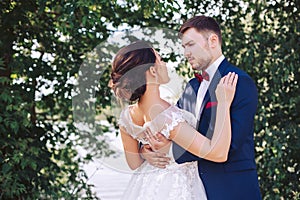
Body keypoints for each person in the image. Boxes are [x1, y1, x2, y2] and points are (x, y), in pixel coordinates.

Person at [141, 16, 262, 199]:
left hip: (232, 190)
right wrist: (146, 149)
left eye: (191, 45)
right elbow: (170, 125)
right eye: (184, 47)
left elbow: (230, 146)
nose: (186, 53)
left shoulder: (239, 81)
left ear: (212, 41)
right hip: (194, 189)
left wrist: (170, 152)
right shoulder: (192, 86)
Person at [110, 40, 238, 199]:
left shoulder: (127, 117)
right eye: (160, 59)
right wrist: (224, 103)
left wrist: (144, 151)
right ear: (152, 71)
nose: (164, 64)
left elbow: (134, 164)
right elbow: (217, 153)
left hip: (145, 187)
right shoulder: (167, 118)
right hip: (176, 188)